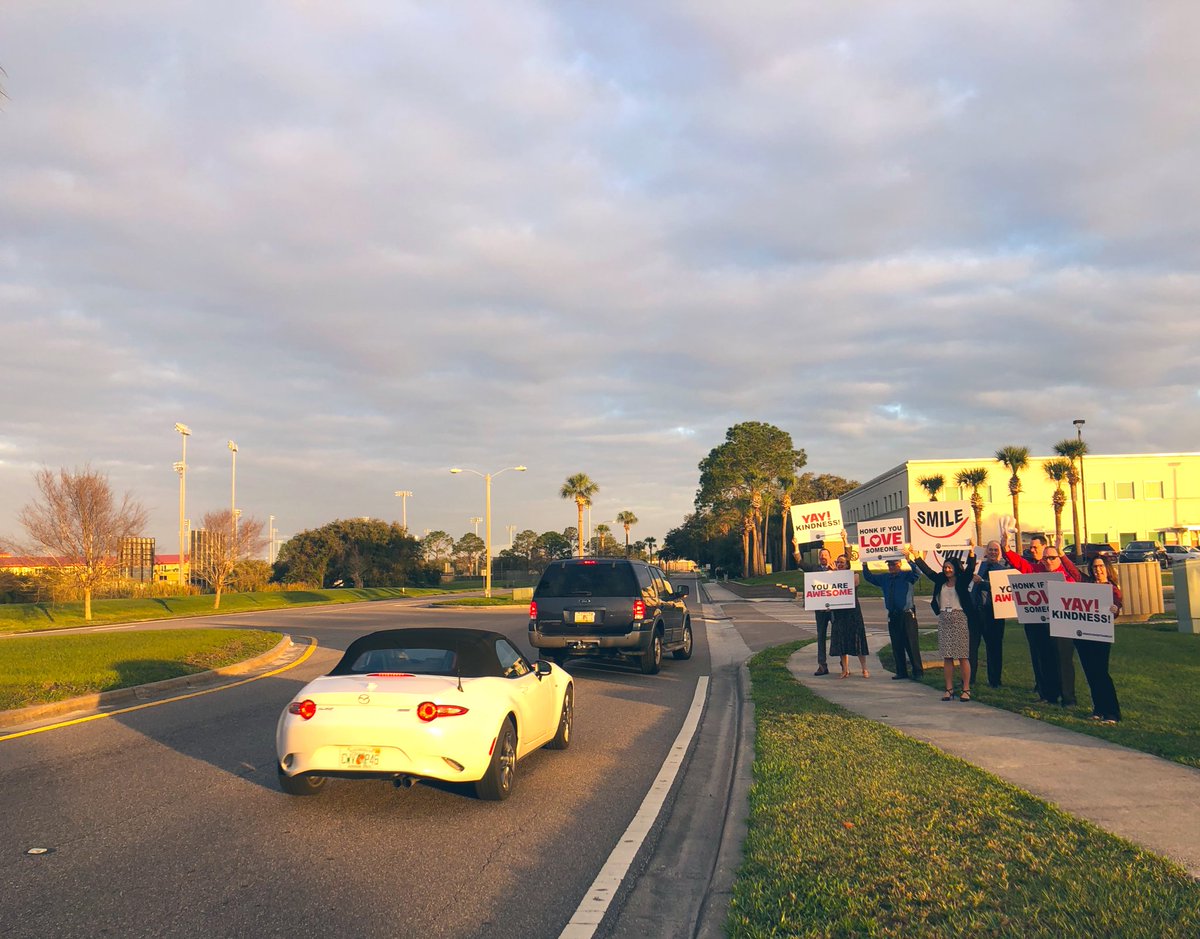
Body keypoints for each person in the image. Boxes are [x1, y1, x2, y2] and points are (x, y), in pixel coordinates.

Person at [1003, 532, 1082, 706]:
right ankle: (1050, 696)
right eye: (1046, 558)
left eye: (1052, 558)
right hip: (1043, 623)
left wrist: (1061, 553)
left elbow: (1077, 576)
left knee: (1063, 662)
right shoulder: (1038, 570)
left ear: (1059, 558)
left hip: (1063, 625)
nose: (1048, 561)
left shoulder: (1066, 573)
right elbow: (1022, 565)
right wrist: (1007, 549)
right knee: (1045, 659)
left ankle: (1068, 698)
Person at [906, 542, 976, 701]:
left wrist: (971, 552)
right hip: (944, 619)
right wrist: (916, 557)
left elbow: (971, 569)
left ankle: (966, 689)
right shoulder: (940, 580)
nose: (947, 569)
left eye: (950, 567)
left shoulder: (962, 580)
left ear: (956, 568)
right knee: (947, 656)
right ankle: (949, 689)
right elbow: (928, 572)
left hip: (960, 618)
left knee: (963, 656)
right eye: (945, 567)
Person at [861, 556, 923, 680]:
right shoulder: (885, 578)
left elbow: (918, 572)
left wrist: (909, 560)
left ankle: (918, 672)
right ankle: (901, 671)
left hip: (907, 614)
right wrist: (864, 564)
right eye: (889, 565)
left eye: (893, 564)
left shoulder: (907, 576)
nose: (891, 567)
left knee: (911, 643)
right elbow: (869, 577)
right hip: (893, 615)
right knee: (896, 644)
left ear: (899, 564)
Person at [1078, 556, 1122, 723]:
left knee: (1101, 673)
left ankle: (1112, 713)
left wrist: (1115, 609)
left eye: (1101, 566)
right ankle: (1098, 709)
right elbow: (1073, 572)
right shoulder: (1086, 584)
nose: (1098, 570)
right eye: (1095, 567)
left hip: (1101, 636)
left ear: (1107, 568)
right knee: (1090, 673)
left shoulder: (1112, 588)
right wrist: (1060, 553)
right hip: (1083, 636)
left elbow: (1117, 604)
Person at [970, 540, 1012, 688]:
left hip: (994, 612)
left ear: (999, 553)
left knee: (994, 648)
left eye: (996, 550)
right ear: (986, 551)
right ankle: (969, 679)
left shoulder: (1002, 569)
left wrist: (983, 582)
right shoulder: (978, 566)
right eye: (991, 550)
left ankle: (995, 681)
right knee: (971, 647)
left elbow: (1002, 588)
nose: (993, 552)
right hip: (975, 612)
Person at [828, 553, 870, 679]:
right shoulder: (831, 576)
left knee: (858, 639)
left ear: (847, 564)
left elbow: (853, 584)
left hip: (853, 612)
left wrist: (838, 576)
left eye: (842, 562)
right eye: (838, 562)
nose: (840, 564)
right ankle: (845, 669)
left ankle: (864, 668)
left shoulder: (854, 575)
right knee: (842, 639)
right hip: (839, 612)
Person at [797, 543, 835, 675]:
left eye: (825, 555)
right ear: (819, 558)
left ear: (830, 557)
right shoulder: (814, 568)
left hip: (835, 609)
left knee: (839, 635)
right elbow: (799, 562)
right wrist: (796, 545)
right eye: (821, 555)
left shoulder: (837, 568)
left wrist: (844, 539)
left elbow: (848, 562)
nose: (823, 557)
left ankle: (844, 664)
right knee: (821, 637)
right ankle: (822, 665)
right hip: (820, 610)